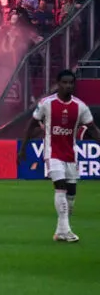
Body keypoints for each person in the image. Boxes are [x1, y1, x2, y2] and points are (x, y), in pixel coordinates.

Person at [19, 70, 98, 242]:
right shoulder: (47, 103)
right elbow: (31, 124)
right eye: (64, 82)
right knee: (60, 187)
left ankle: (61, 230)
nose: (68, 86)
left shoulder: (80, 106)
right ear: (58, 83)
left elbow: (92, 129)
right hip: (52, 153)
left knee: (71, 194)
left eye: (71, 83)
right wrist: (23, 148)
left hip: (71, 154)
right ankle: (65, 231)